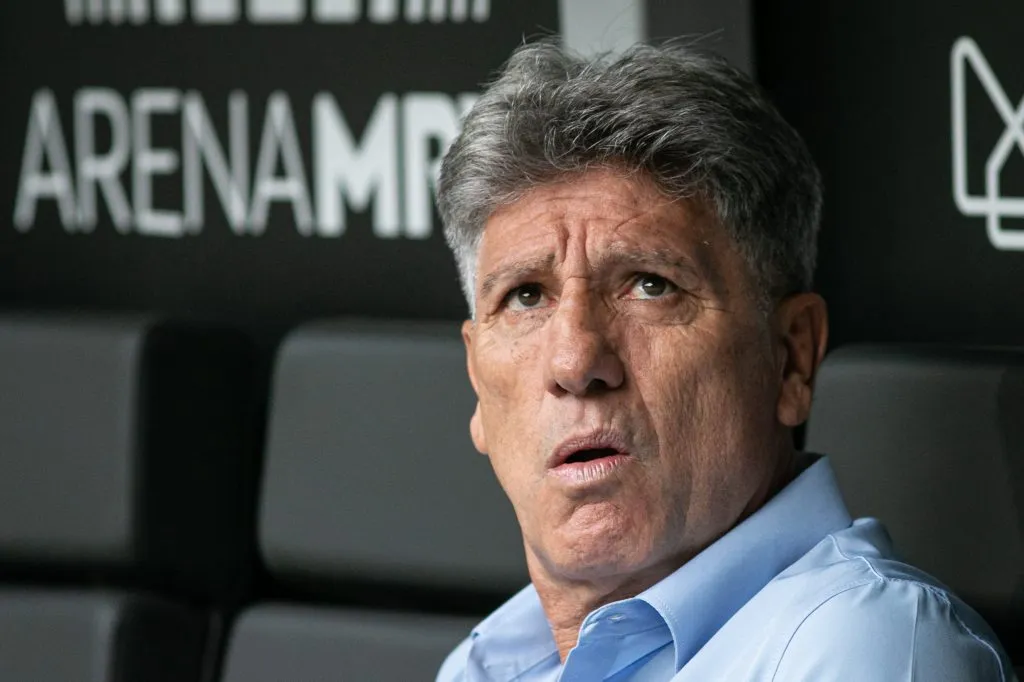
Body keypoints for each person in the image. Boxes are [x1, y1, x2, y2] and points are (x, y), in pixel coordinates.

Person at [433, 39, 1014, 681]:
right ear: (477, 386)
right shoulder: (481, 665)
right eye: (525, 297)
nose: (575, 361)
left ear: (792, 358)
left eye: (651, 284)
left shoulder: (865, 646)